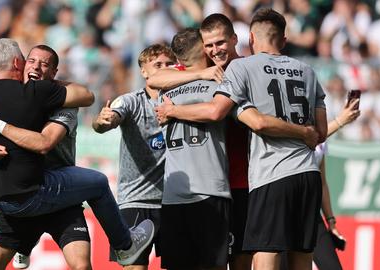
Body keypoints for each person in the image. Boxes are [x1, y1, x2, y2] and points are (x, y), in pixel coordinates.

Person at [155, 8, 327, 270]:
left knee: (246, 259)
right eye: (209, 45)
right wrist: (200, 74)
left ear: (237, 39)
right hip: (214, 185)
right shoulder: (203, 70)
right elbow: (156, 78)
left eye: (221, 42)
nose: (215, 50)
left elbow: (219, 112)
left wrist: (174, 110)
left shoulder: (244, 68)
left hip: (246, 181)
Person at [0, 39, 154, 266]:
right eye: (31, 61)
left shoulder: (60, 102)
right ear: (20, 64)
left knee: (82, 265)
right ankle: (124, 244)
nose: (35, 67)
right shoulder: (17, 95)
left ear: (54, 73)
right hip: (28, 189)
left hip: (58, 191)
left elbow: (47, 140)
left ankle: (25, 244)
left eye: (44, 65)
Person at [92, 43, 176, 270]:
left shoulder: (183, 101)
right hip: (136, 200)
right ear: (144, 71)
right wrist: (102, 121)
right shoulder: (131, 101)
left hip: (174, 201)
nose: (164, 68)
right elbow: (107, 120)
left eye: (169, 64)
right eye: (157, 64)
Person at [158, 27, 232, 270]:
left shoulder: (165, 90)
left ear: (178, 59)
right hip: (209, 189)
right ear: (203, 49)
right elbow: (214, 112)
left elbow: (154, 79)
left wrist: (172, 110)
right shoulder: (218, 81)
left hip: (172, 194)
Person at [280, 98, 360, 270]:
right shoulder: (288, 130)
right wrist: (339, 122)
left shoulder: (322, 140)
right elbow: (304, 142)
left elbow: (322, 183)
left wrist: (331, 222)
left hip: (311, 214)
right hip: (283, 211)